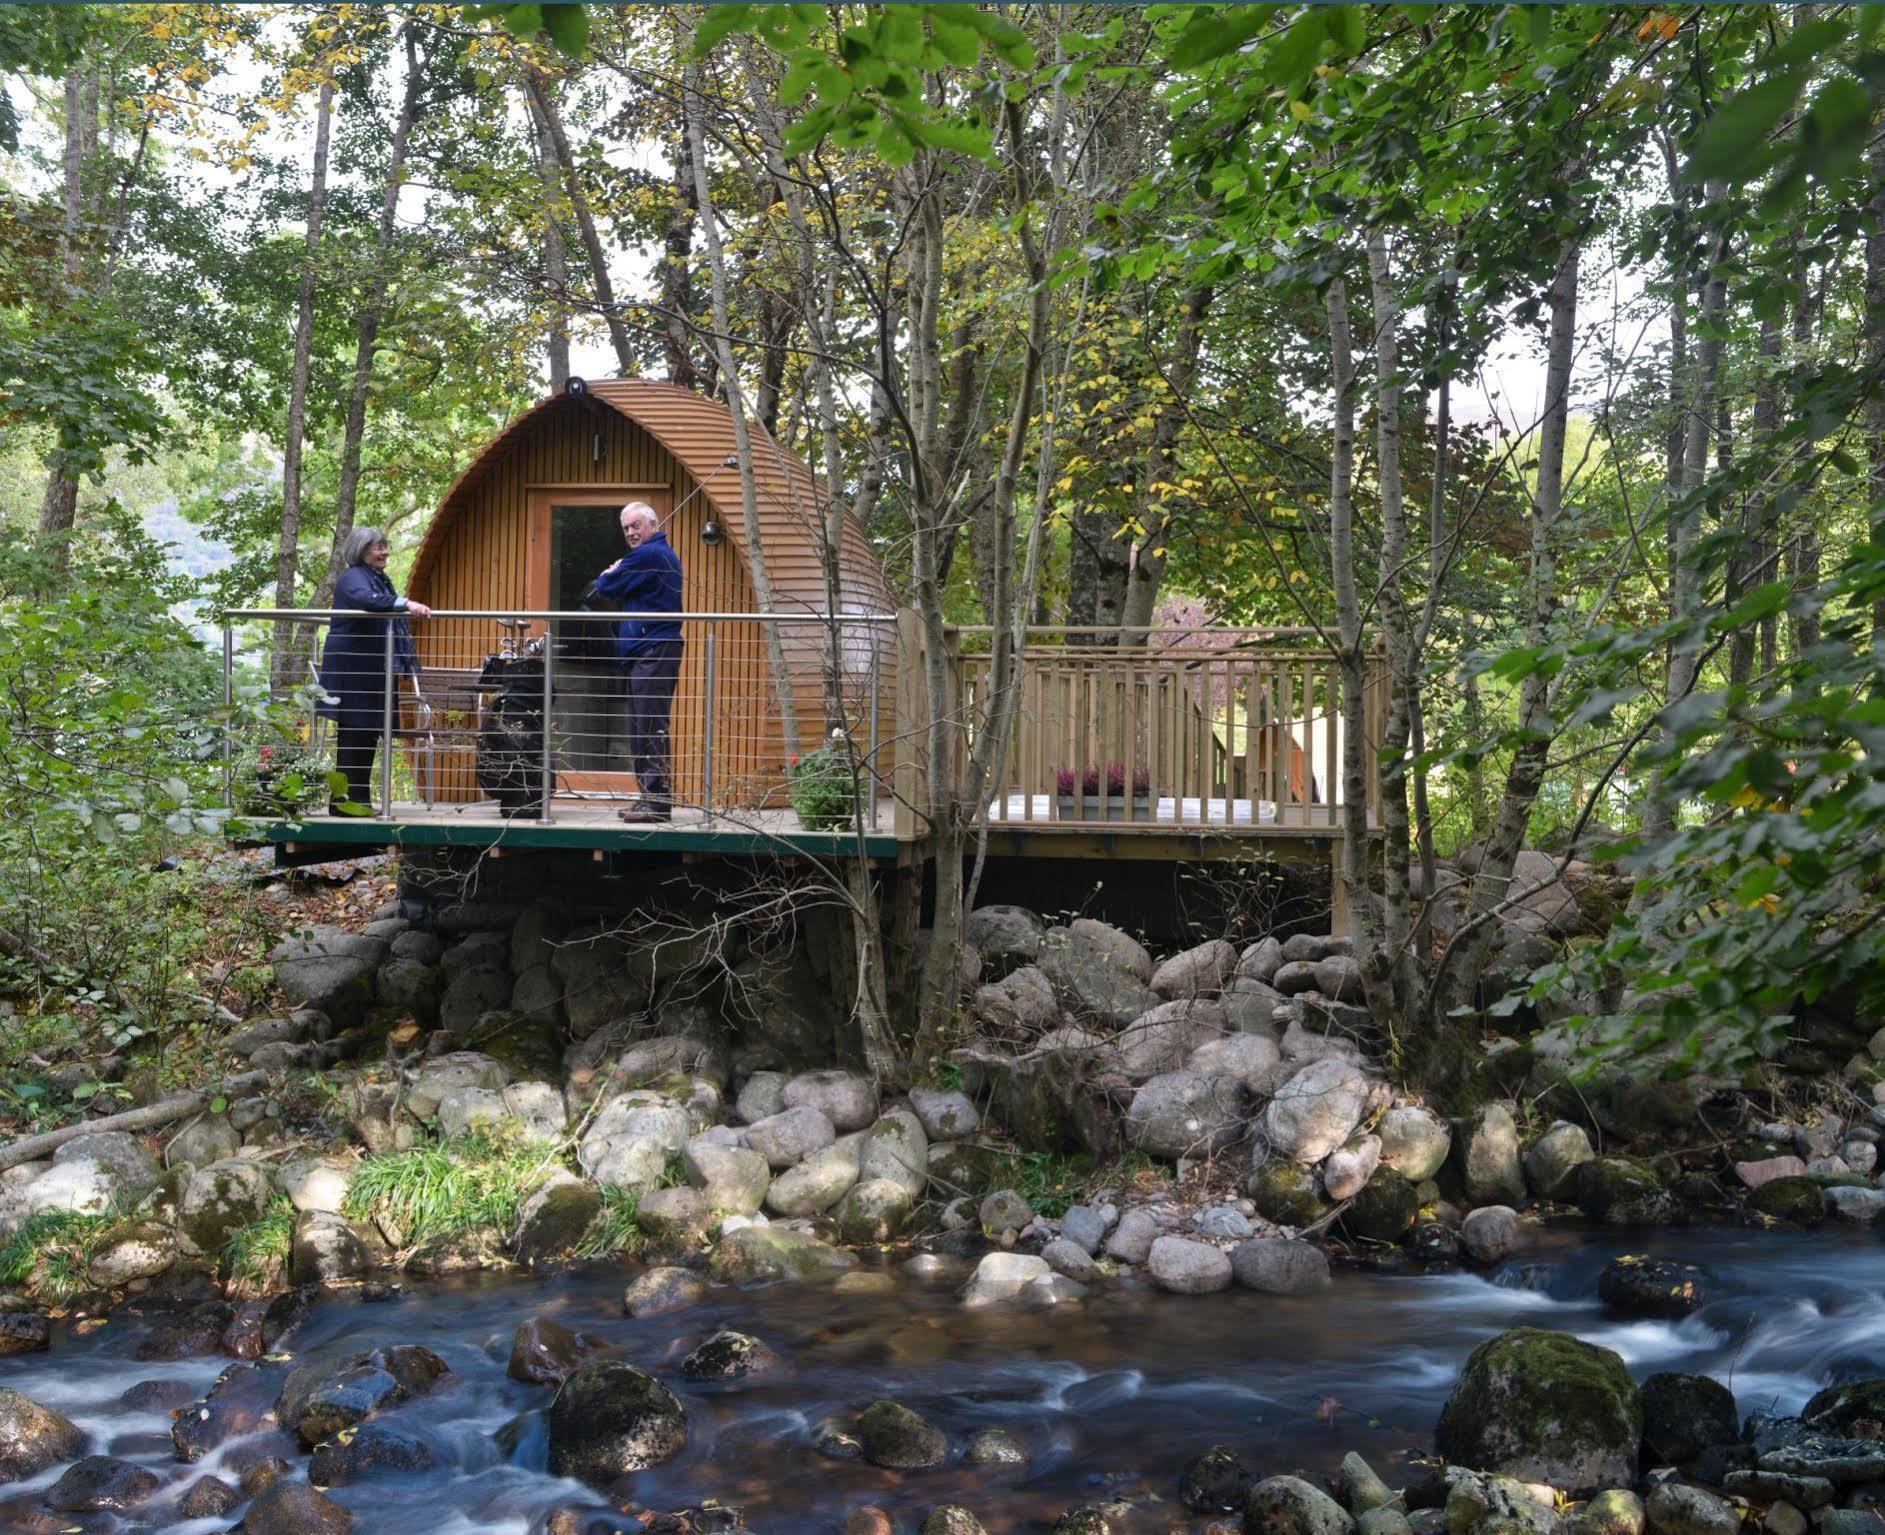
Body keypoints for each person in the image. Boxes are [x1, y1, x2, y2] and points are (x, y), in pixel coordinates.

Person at [317, 527, 429, 812]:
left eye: (385, 546)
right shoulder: (353, 577)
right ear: (361, 550)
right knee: (354, 734)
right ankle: (344, 803)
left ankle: (356, 801)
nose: (385, 552)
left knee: (365, 734)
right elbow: (368, 601)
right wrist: (406, 603)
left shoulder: (376, 577)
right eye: (378, 548)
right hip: (354, 670)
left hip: (369, 669)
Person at [594, 501, 683, 821]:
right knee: (642, 726)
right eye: (626, 528)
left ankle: (657, 803)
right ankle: (649, 798)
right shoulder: (652, 555)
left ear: (652, 525)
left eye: (636, 526)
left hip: (654, 649)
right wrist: (620, 570)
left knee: (648, 726)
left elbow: (605, 586)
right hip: (649, 651)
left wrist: (612, 570)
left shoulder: (649, 555)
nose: (631, 532)